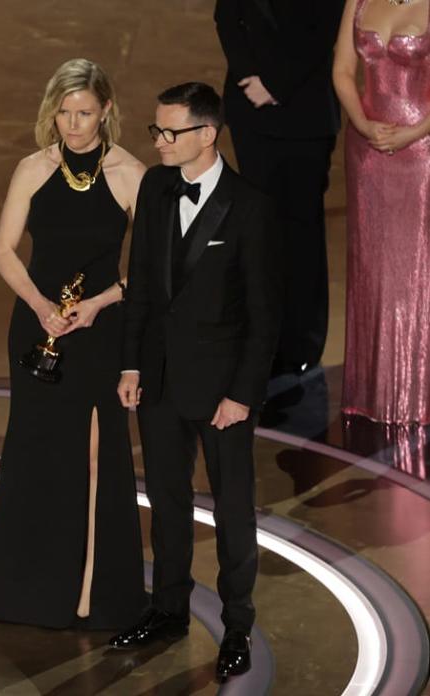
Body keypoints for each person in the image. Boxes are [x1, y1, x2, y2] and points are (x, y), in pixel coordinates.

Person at [109, 83, 279, 682]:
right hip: (157, 382)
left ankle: (237, 626)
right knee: (168, 501)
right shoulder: (156, 187)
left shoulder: (250, 206)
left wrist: (241, 395)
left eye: (169, 133)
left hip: (222, 393)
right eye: (155, 131)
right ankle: (169, 608)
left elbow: (264, 316)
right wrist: (130, 365)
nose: (157, 142)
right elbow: (143, 288)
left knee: (233, 511)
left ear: (207, 134)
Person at [0, 59, 147, 631]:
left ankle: (92, 595)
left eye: (85, 114)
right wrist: (42, 307)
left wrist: (97, 304)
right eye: (65, 113)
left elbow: (152, 268)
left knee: (97, 457)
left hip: (99, 333)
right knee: (37, 451)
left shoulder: (129, 174)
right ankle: (28, 594)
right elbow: (3, 250)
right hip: (39, 328)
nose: (73, 126)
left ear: (106, 112)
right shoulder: (33, 169)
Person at [214, 0, 346, 377]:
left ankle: (302, 342)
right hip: (251, 110)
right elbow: (227, 17)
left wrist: (274, 82)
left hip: (305, 112)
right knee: (259, 229)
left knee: (302, 228)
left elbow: (323, 32)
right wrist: (248, 78)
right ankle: (262, 339)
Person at [333, 0, 430, 425]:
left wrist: (412, 133)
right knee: (374, 266)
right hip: (368, 152)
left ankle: (418, 392)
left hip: (422, 151)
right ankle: (371, 391)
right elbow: (341, 70)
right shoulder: (358, 1)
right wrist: (361, 123)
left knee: (416, 268)